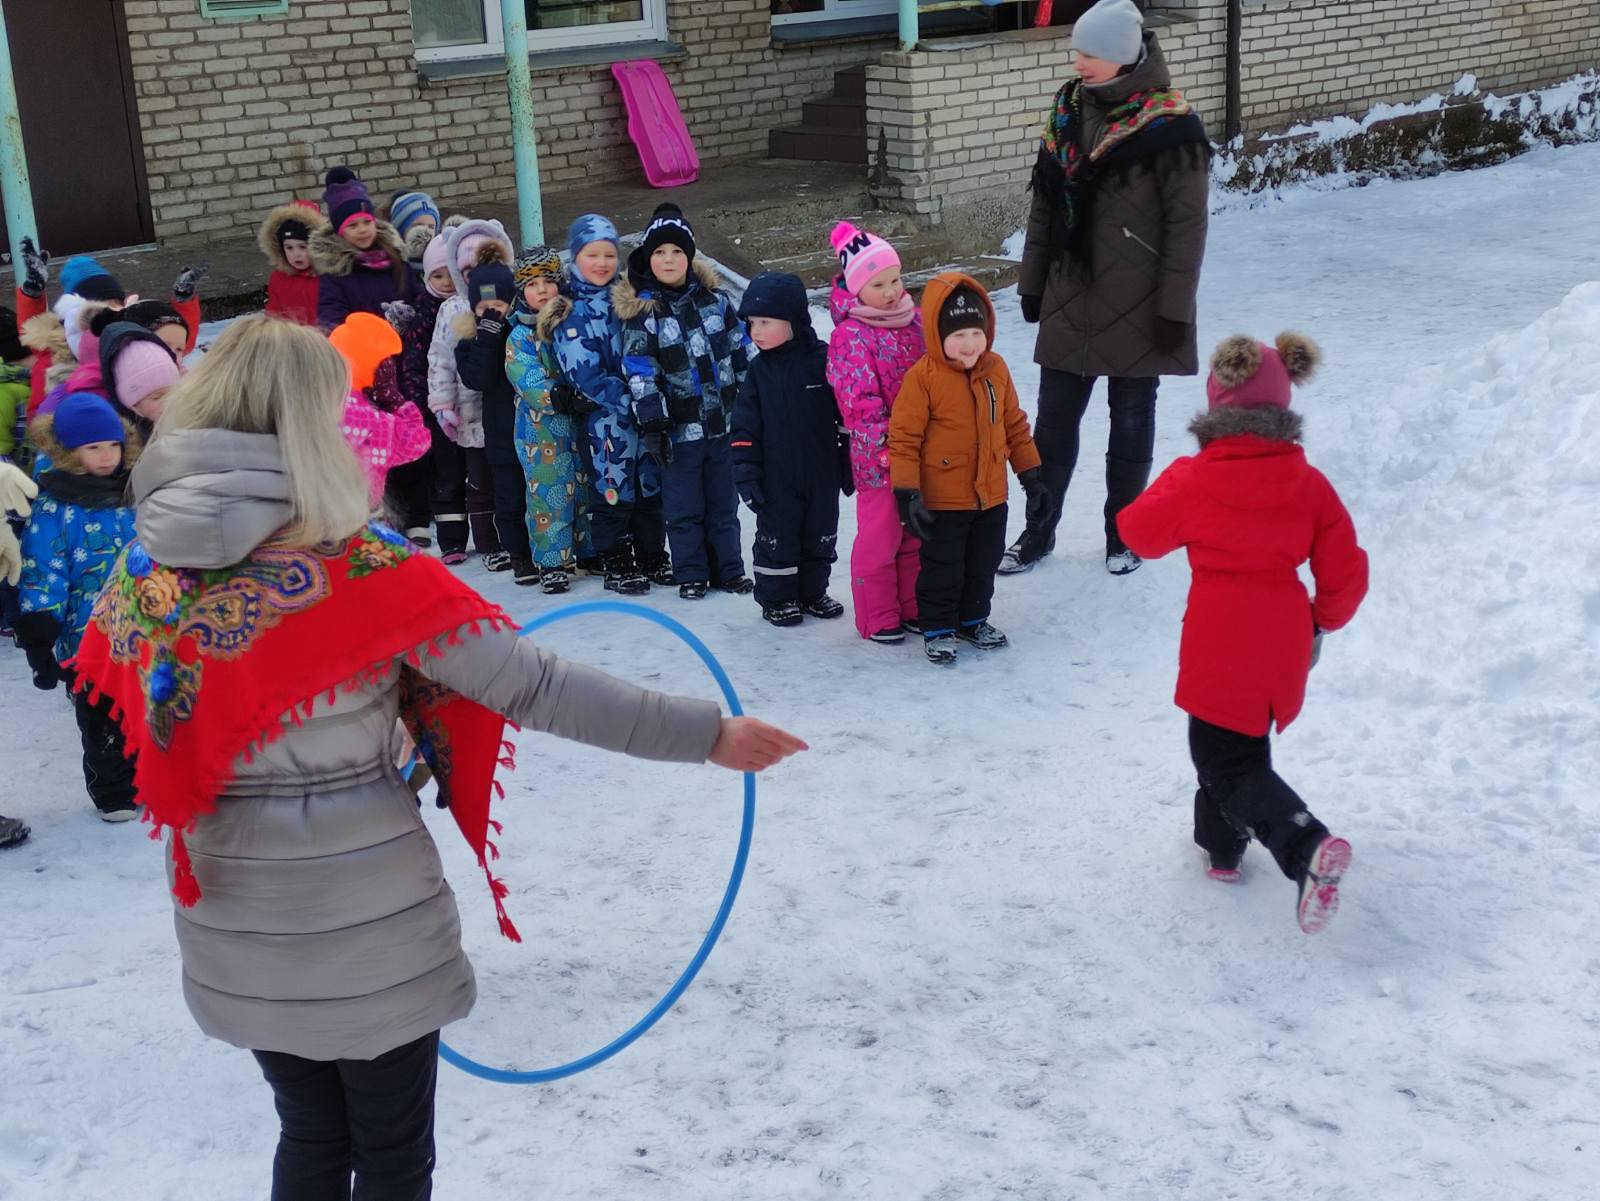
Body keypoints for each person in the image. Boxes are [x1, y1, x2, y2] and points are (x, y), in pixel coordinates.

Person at [67, 314, 806, 1200]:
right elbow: (533, 684)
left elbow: (132, 704)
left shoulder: (145, 568)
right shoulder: (362, 567)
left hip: (230, 911)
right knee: (388, 1156)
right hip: (368, 922)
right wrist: (704, 733)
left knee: (309, 1132)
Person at [1117, 332, 1368, 933]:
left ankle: (1304, 844)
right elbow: (1346, 570)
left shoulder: (1196, 477)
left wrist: (1176, 477)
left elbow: (1137, 533)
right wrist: (1322, 619)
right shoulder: (1308, 483)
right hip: (1285, 632)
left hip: (1221, 634)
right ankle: (1222, 849)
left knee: (1221, 757)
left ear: (1218, 403)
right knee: (1242, 742)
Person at [1007, 0, 1211, 577]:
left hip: (1140, 303)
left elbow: (1187, 227)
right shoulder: (1066, 112)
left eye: (1089, 53)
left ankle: (1125, 535)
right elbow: (1045, 205)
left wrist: (1174, 310)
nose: (1078, 62)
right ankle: (1038, 532)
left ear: (1122, 55)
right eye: (1076, 50)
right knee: (1052, 427)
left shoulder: (1172, 128)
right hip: (1070, 295)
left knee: (1131, 424)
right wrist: (1032, 282)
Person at [889, 275, 1047, 665]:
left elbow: (1014, 425)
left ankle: (973, 620)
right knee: (943, 566)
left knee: (983, 562)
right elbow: (904, 439)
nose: (970, 343)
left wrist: (1031, 476)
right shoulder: (923, 379)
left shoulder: (996, 369)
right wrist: (907, 492)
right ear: (937, 335)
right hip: (944, 499)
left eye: (977, 333)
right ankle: (939, 627)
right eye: (959, 335)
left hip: (991, 494)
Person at [616, 204, 753, 600]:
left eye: (677, 251)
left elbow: (741, 353)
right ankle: (691, 572)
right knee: (683, 507)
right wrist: (654, 421)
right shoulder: (644, 312)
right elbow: (640, 371)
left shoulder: (717, 302)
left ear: (690, 257)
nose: (669, 259)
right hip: (677, 432)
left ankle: (728, 569)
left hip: (722, 425)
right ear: (648, 258)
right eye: (660, 252)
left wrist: (749, 406)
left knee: (723, 504)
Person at [16, 392, 141, 821]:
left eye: (112, 445)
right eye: (93, 447)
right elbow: (44, 567)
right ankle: (114, 789)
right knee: (101, 714)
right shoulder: (54, 504)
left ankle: (150, 775)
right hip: (86, 638)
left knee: (148, 706)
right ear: (69, 451)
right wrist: (40, 631)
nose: (107, 456)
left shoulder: (135, 490)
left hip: (145, 628)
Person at [553, 213, 666, 595]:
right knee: (612, 490)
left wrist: (652, 397)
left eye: (609, 255)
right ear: (575, 258)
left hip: (646, 415)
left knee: (649, 485)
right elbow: (584, 374)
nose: (602, 263)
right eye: (592, 255)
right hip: (605, 422)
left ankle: (652, 554)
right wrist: (633, 401)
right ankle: (616, 561)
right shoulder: (570, 312)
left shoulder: (629, 299)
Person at [731, 271, 850, 627]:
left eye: (765, 322)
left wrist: (848, 461)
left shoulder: (823, 360)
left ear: (794, 321)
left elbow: (845, 414)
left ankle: (812, 592)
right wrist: (746, 474)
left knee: (820, 534)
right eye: (752, 323)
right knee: (777, 538)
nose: (755, 331)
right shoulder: (758, 372)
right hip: (777, 477)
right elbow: (744, 428)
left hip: (821, 473)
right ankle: (777, 598)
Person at [825, 220, 925, 643]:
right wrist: (886, 445)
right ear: (856, 289)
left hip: (919, 450)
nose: (890, 291)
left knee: (916, 533)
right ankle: (878, 615)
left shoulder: (915, 321)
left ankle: (913, 604)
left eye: (895, 280)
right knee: (881, 537)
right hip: (878, 457)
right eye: (878, 284)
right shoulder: (850, 335)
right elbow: (859, 404)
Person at [427, 217, 514, 566]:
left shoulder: (510, 303)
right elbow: (440, 360)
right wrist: (443, 404)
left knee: (508, 479)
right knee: (480, 483)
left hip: (506, 412)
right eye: (467, 271)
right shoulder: (453, 310)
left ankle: (514, 537)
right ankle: (489, 544)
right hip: (470, 412)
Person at [507, 246, 594, 595]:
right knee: (549, 496)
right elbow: (525, 376)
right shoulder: (520, 335)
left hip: (580, 424)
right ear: (521, 292)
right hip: (540, 432)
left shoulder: (573, 322)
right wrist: (557, 396)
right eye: (532, 284)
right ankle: (552, 561)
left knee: (585, 489)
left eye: (548, 281)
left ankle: (589, 552)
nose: (541, 290)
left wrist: (588, 390)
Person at [453, 258, 536, 583]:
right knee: (509, 497)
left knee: (539, 492)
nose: (491, 314)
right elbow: (477, 379)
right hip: (501, 433)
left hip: (535, 430)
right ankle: (519, 554)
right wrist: (487, 339)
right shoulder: (470, 340)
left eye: (498, 306)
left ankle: (550, 551)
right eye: (483, 308)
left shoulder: (524, 332)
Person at [328, 313, 431, 511]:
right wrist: (394, 399)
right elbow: (416, 441)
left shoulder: (314, 404)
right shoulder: (368, 419)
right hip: (356, 515)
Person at [312, 166, 415, 328]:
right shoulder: (335, 272)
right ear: (340, 231)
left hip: (407, 341)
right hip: (363, 342)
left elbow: (416, 296)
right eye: (352, 225)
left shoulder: (395, 257)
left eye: (367, 222)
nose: (362, 230)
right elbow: (331, 319)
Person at [259, 200, 329, 325]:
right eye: (289, 248)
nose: (296, 254)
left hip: (325, 335)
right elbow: (274, 314)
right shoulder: (278, 279)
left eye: (302, 247)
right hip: (292, 335)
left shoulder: (329, 277)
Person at [386, 188, 442, 274]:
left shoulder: (443, 260)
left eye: (431, 227)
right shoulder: (390, 264)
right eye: (418, 226)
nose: (425, 232)